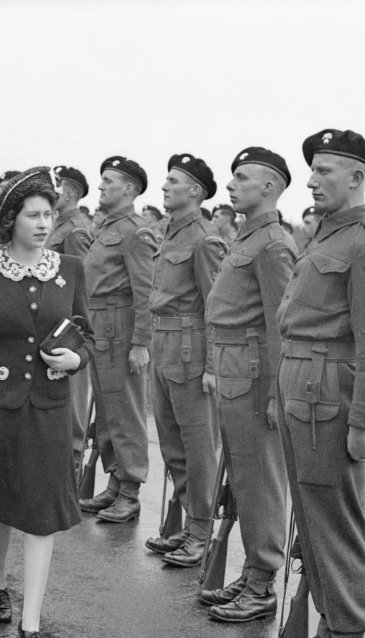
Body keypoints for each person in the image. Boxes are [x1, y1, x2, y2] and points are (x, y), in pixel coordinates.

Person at [267, 128, 365, 638]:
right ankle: (329, 626)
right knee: (311, 520)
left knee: (336, 524)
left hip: (331, 395)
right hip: (300, 384)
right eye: (312, 171)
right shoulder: (322, 236)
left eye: (325, 171)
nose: (314, 181)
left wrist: (364, 423)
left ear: (357, 177)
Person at [0, 167, 93, 638]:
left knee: (41, 516)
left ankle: (31, 626)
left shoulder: (71, 268)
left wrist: (77, 360)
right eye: (32, 215)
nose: (42, 223)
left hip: (51, 411)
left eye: (48, 215)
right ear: (10, 220)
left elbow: (87, 335)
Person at [199, 146, 296, 620]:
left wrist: (279, 393)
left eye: (241, 177)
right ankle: (252, 572)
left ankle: (261, 583)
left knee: (260, 480)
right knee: (241, 476)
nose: (231, 184)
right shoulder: (246, 238)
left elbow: (282, 325)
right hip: (236, 366)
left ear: (270, 187)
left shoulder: (273, 243)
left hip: (256, 372)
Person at [144, 154, 226, 566]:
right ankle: (186, 525)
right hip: (164, 344)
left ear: (194, 191)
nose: (164, 186)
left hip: (189, 346)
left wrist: (213, 366)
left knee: (197, 447)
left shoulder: (204, 238)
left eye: (173, 181)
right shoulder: (170, 233)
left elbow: (216, 306)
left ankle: (201, 533)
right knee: (174, 446)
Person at [78, 156, 158, 522]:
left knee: (126, 412)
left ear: (129, 188)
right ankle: (115, 482)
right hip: (100, 326)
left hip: (121, 329)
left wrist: (141, 342)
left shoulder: (135, 231)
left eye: (108, 181)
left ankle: (130, 490)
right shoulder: (107, 227)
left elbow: (146, 291)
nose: (101, 186)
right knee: (108, 414)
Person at [45, 165, 95, 469]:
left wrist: (75, 329)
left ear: (72, 193)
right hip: (50, 318)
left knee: (73, 396)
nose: (52, 193)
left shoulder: (75, 229)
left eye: (58, 187)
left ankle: (73, 459)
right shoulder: (56, 223)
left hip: (68, 324)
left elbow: (82, 281)